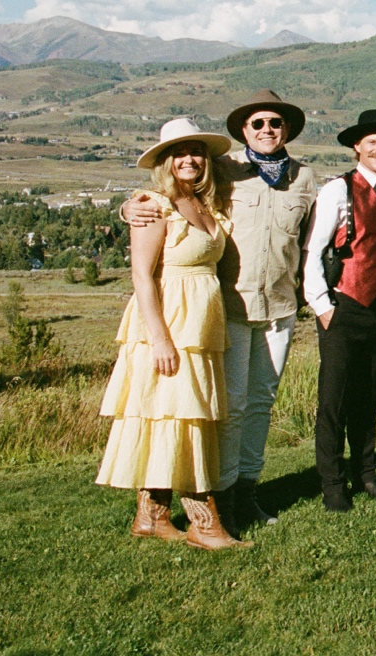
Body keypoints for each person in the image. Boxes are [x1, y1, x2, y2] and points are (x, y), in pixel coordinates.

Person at [120, 89, 320, 530]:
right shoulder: (223, 171)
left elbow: (312, 240)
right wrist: (129, 207)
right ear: (244, 130)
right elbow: (169, 194)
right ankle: (224, 498)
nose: (267, 130)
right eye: (258, 124)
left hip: (280, 309)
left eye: (275, 123)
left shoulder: (305, 179)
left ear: (286, 129)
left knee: (261, 403)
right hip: (229, 308)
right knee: (230, 407)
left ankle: (248, 491)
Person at [97, 118, 247, 549]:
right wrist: (159, 338)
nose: (189, 159)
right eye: (178, 153)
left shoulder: (206, 205)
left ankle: (152, 515)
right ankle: (205, 523)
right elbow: (142, 276)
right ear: (165, 161)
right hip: (168, 323)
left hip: (201, 322)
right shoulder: (152, 205)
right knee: (180, 417)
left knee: (180, 415)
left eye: (196, 151)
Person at [303, 109, 376, 512]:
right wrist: (321, 305)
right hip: (343, 304)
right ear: (357, 147)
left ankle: (366, 473)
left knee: (369, 395)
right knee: (334, 399)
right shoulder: (339, 190)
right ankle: (332, 483)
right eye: (372, 143)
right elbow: (314, 249)